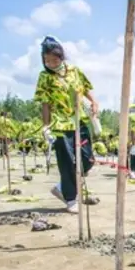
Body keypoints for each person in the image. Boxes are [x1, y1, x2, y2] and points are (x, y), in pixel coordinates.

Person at [35, 36, 101, 213]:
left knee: (87, 159)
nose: (50, 63)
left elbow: (85, 88)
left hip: (79, 119)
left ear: (61, 56)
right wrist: (46, 126)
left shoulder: (74, 71)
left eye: (54, 59)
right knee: (66, 161)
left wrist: (94, 102)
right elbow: (45, 103)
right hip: (59, 123)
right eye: (46, 60)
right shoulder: (44, 77)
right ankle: (71, 198)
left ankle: (61, 187)